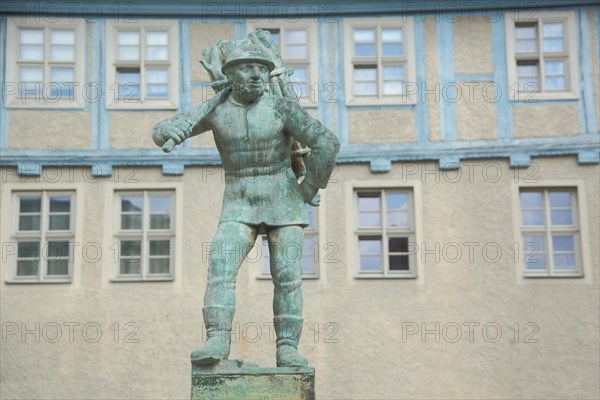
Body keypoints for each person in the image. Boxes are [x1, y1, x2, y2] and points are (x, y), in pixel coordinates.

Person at [152, 42, 340, 367]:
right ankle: (217, 338)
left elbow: (326, 142)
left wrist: (309, 187)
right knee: (220, 269)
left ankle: (287, 348)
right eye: (247, 68)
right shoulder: (215, 110)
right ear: (231, 74)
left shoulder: (282, 108)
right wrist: (168, 130)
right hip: (238, 202)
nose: (256, 75)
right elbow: (159, 133)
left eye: (262, 69)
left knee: (287, 276)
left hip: (283, 200)